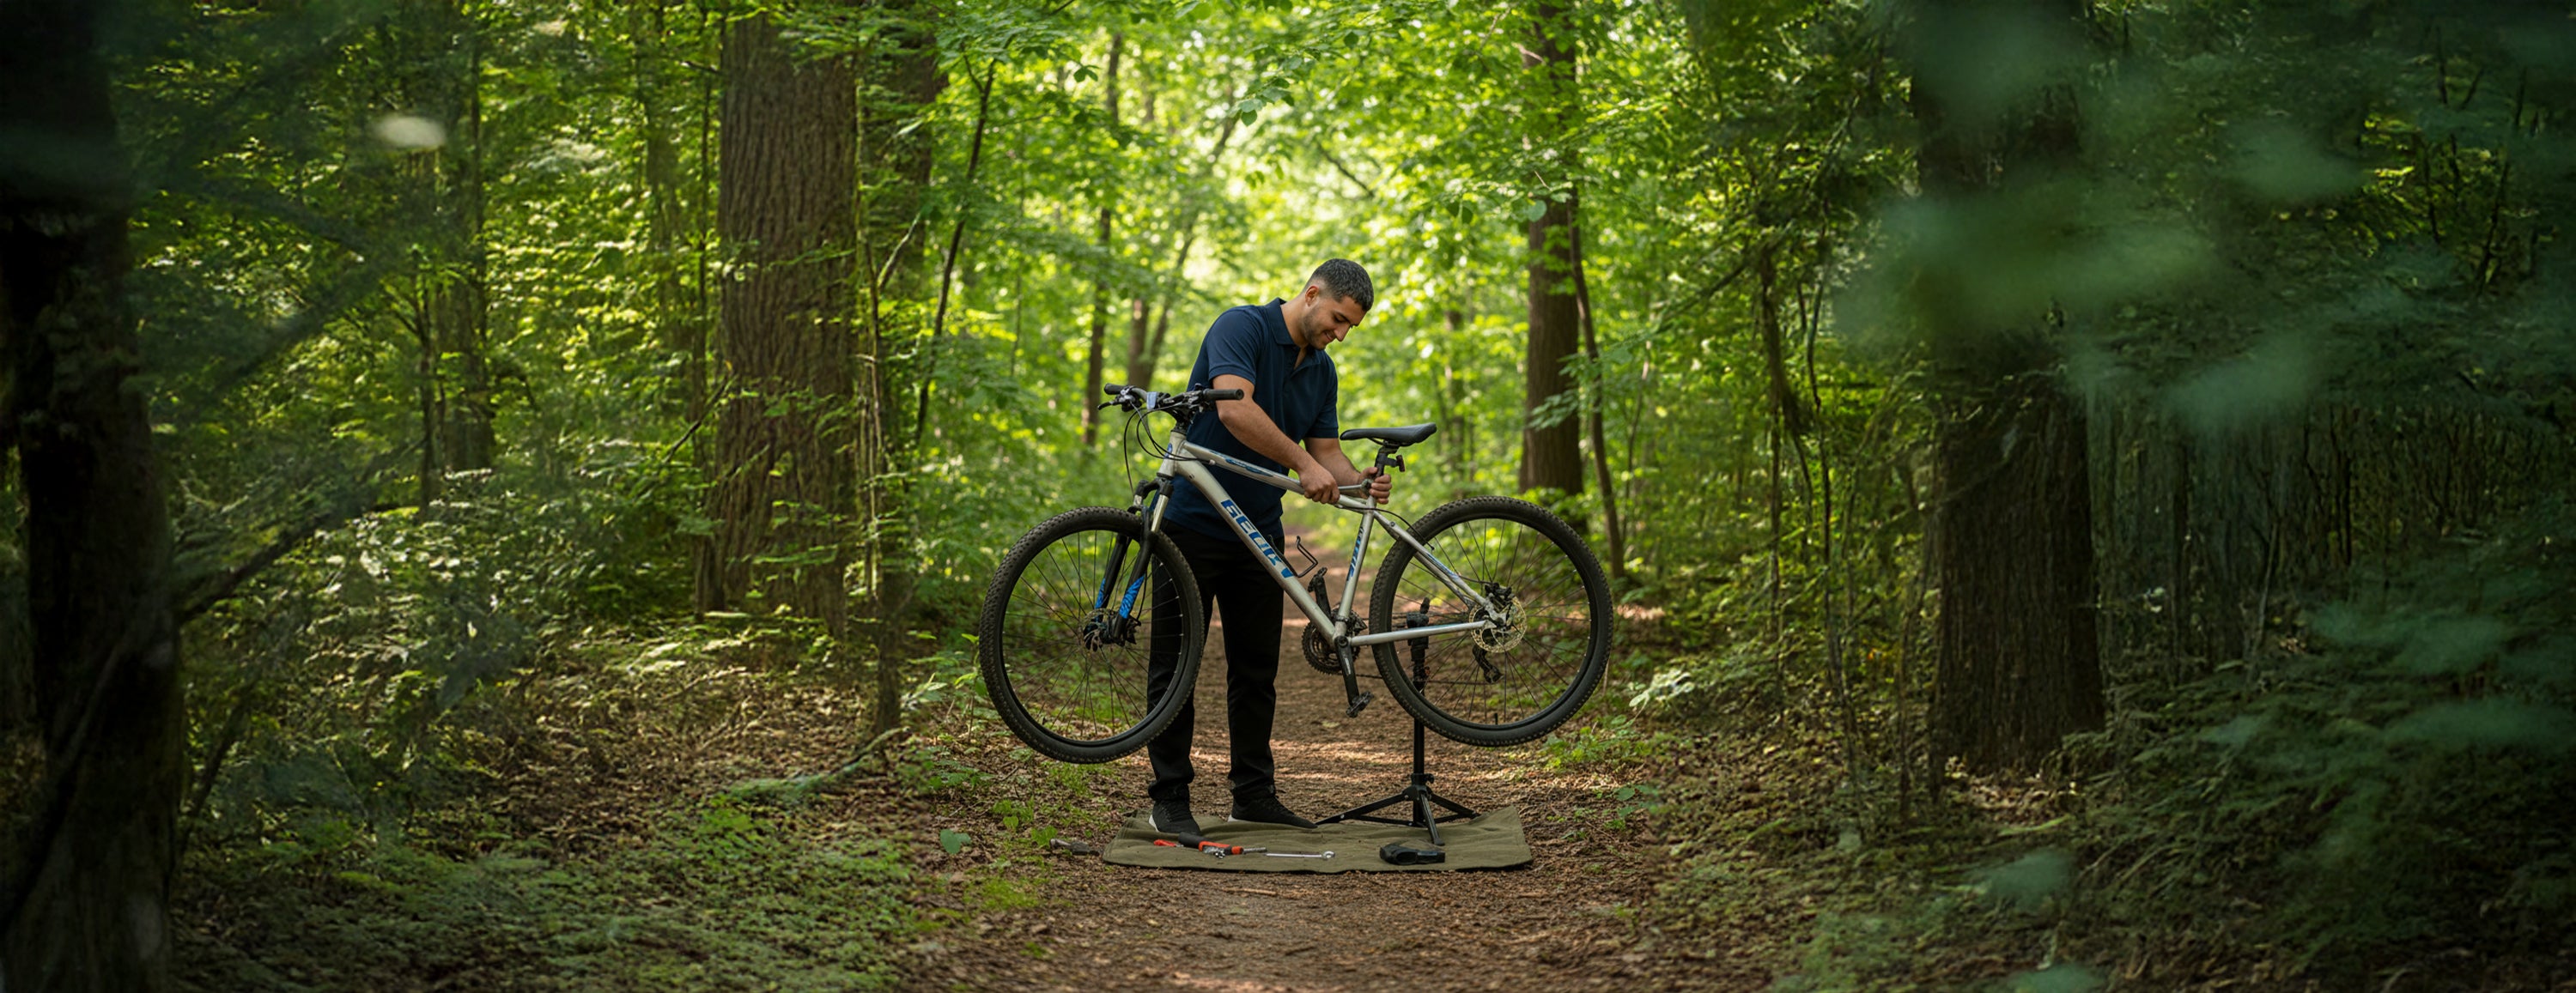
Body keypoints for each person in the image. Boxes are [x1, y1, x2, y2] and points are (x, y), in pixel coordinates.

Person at [1143, 258, 1393, 834]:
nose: (1340, 334)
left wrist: (1359, 481)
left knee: (1255, 669)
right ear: (1310, 294)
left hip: (1258, 529)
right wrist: (1301, 461)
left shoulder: (1322, 371)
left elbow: (1326, 453)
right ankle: (1171, 798)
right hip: (1192, 522)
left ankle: (1252, 794)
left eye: (1350, 327)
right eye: (1336, 319)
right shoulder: (1242, 327)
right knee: (1174, 663)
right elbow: (1234, 407)